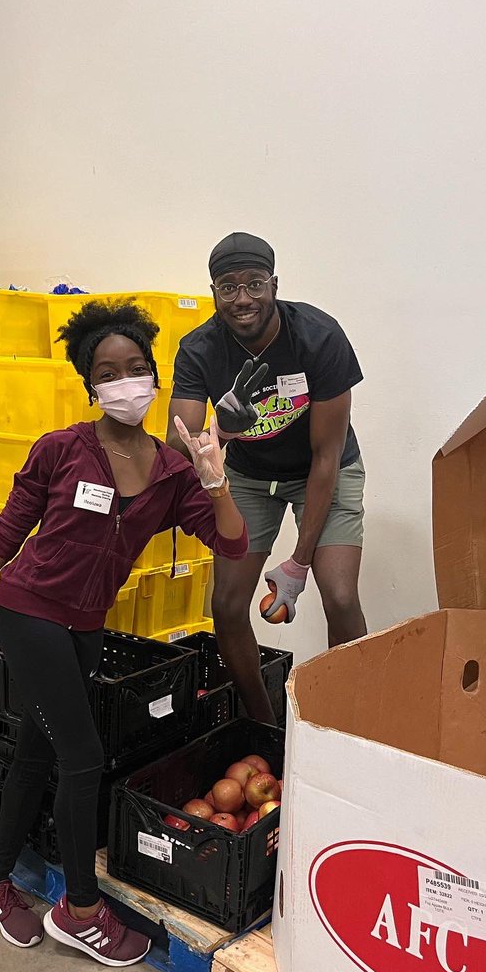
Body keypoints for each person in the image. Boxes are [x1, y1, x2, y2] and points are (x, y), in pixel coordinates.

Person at [0, 299, 248, 965]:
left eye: (135, 368)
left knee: (37, 752)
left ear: (153, 376)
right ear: (91, 385)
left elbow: (232, 545)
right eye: (107, 373)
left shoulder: (172, 473)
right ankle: (81, 910)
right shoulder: (61, 450)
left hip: (85, 628)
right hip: (29, 612)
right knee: (83, 759)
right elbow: (4, 536)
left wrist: (215, 482)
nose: (124, 382)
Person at [167, 232, 366, 725]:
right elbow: (180, 444)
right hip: (250, 476)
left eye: (254, 284)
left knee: (340, 597)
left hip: (323, 470)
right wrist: (222, 430)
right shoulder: (199, 349)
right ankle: (265, 725)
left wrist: (298, 563)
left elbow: (326, 456)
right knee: (227, 605)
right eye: (228, 287)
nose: (243, 299)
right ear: (214, 292)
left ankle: (348, 725)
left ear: (274, 285)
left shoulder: (319, 337)